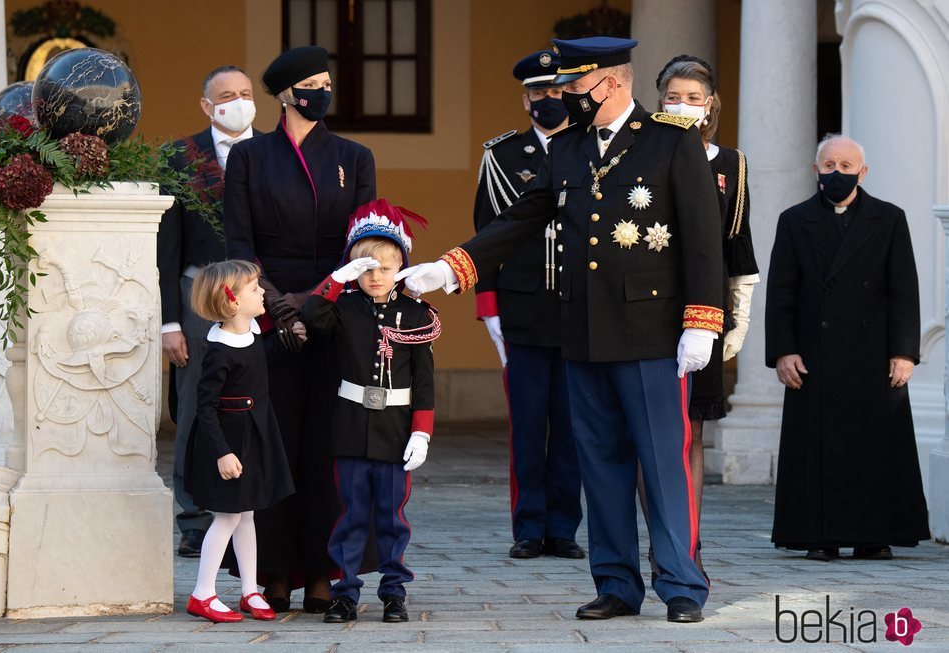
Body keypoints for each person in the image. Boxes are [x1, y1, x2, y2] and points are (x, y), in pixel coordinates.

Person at [397, 36, 723, 623]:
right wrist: (452, 267)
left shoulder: (671, 144)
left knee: (661, 463)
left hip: (651, 332)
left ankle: (681, 584)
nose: (565, 99)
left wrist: (702, 322)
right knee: (600, 464)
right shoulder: (568, 149)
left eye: (575, 88)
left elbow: (703, 241)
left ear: (612, 83)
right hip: (583, 330)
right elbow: (521, 219)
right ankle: (617, 583)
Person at [223, 45, 377, 613]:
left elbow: (362, 245)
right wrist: (276, 308)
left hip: (333, 315)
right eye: (313, 82)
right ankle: (272, 569)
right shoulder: (249, 158)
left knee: (325, 446)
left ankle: (323, 568)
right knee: (273, 443)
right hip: (267, 318)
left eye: (327, 81)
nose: (323, 90)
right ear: (286, 94)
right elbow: (239, 242)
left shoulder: (354, 156)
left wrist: (311, 304)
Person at [765, 134, 930, 561]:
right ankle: (819, 536)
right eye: (829, 165)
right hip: (814, 357)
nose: (837, 173)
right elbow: (782, 290)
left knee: (874, 446)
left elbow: (904, 290)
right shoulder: (794, 220)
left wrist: (905, 352)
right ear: (816, 170)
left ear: (863, 171)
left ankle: (874, 534)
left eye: (846, 165)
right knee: (817, 447)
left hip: (873, 356)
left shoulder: (890, 219)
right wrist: (783, 350)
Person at [638, 55, 761, 581]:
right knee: (648, 436)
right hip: (646, 314)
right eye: (674, 96)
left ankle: (688, 547)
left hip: (702, 315)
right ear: (658, 97)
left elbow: (738, 245)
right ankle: (658, 546)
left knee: (689, 436)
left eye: (694, 97)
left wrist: (735, 320)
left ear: (711, 104)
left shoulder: (729, 164)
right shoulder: (638, 153)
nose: (684, 106)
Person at [301, 199, 439, 625]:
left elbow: (425, 381)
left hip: (396, 430)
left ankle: (393, 592)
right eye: (365, 268)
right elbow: (312, 315)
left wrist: (422, 432)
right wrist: (336, 281)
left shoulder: (416, 315)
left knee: (391, 517)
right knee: (351, 514)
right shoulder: (342, 309)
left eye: (384, 266)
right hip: (349, 426)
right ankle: (344, 592)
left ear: (401, 266)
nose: (375, 276)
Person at [473, 50, 583, 561]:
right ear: (525, 100)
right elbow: (488, 234)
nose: (550, 101)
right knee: (528, 423)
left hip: (582, 308)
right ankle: (528, 527)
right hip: (522, 308)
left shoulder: (590, 150)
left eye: (558, 92)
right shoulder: (501, 155)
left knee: (573, 426)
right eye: (540, 94)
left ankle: (563, 527)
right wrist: (488, 306)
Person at [158, 65, 259, 558]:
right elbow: (167, 246)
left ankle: (256, 506)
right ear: (206, 105)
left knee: (258, 401)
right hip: (198, 292)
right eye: (225, 95)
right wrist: (170, 321)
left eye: (245, 93)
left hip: (260, 293)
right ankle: (193, 518)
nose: (237, 101)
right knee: (198, 403)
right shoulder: (179, 157)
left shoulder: (272, 152)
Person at [183, 260, 295, 623]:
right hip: (229, 443)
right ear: (231, 301)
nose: (262, 292)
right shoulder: (219, 348)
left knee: (246, 515)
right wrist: (222, 453)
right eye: (254, 289)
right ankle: (203, 593)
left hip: (254, 437)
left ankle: (250, 590)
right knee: (228, 516)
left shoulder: (251, 334)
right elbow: (206, 406)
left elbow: (260, 368)